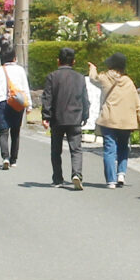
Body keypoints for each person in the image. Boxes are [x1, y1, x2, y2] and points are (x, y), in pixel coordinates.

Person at [93, 52, 140, 188]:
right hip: (126, 122)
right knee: (123, 147)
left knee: (109, 149)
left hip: (108, 120)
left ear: (111, 65)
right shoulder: (129, 82)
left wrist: (92, 69)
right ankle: (121, 173)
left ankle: (111, 180)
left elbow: (93, 79)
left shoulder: (104, 78)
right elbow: (137, 104)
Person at [42, 47, 91, 189]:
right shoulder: (80, 78)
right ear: (73, 62)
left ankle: (57, 179)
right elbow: (84, 99)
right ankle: (77, 174)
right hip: (75, 118)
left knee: (56, 150)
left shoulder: (52, 77)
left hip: (57, 118)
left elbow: (47, 98)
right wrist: (85, 115)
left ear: (58, 61)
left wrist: (46, 115)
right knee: (76, 149)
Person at [0, 41, 30, 168]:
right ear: (14, 58)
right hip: (17, 102)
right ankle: (13, 159)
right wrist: (29, 105)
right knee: (15, 132)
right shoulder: (20, 70)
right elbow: (25, 88)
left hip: (2, 102)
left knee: (3, 131)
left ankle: (5, 157)